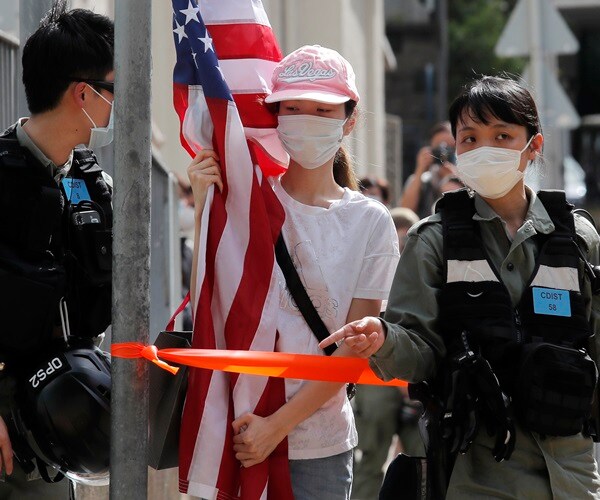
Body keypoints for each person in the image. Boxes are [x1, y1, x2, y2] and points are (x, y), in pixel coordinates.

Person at [321, 75, 600, 499]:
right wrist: (383, 338)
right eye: (469, 138)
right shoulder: (433, 240)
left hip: (571, 475)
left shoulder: (578, 239)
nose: (484, 148)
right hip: (476, 473)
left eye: (502, 136)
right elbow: (419, 352)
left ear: (534, 146)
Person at [187, 45, 400, 500]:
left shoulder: (371, 221)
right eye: (293, 108)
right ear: (276, 116)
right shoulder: (248, 202)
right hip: (239, 429)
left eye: (323, 110)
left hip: (320, 449)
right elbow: (211, 304)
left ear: (349, 120)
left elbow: (355, 349)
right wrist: (204, 207)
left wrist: (276, 427)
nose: (306, 120)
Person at [0, 2, 114, 497]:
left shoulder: (95, 186)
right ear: (83, 94)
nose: (119, 104)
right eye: (115, 88)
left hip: (56, 435)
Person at [400, 121, 458, 218]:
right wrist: (420, 170)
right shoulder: (422, 179)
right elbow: (405, 212)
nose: (444, 152)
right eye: (439, 146)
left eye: (449, 146)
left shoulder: (467, 178)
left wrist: (455, 179)